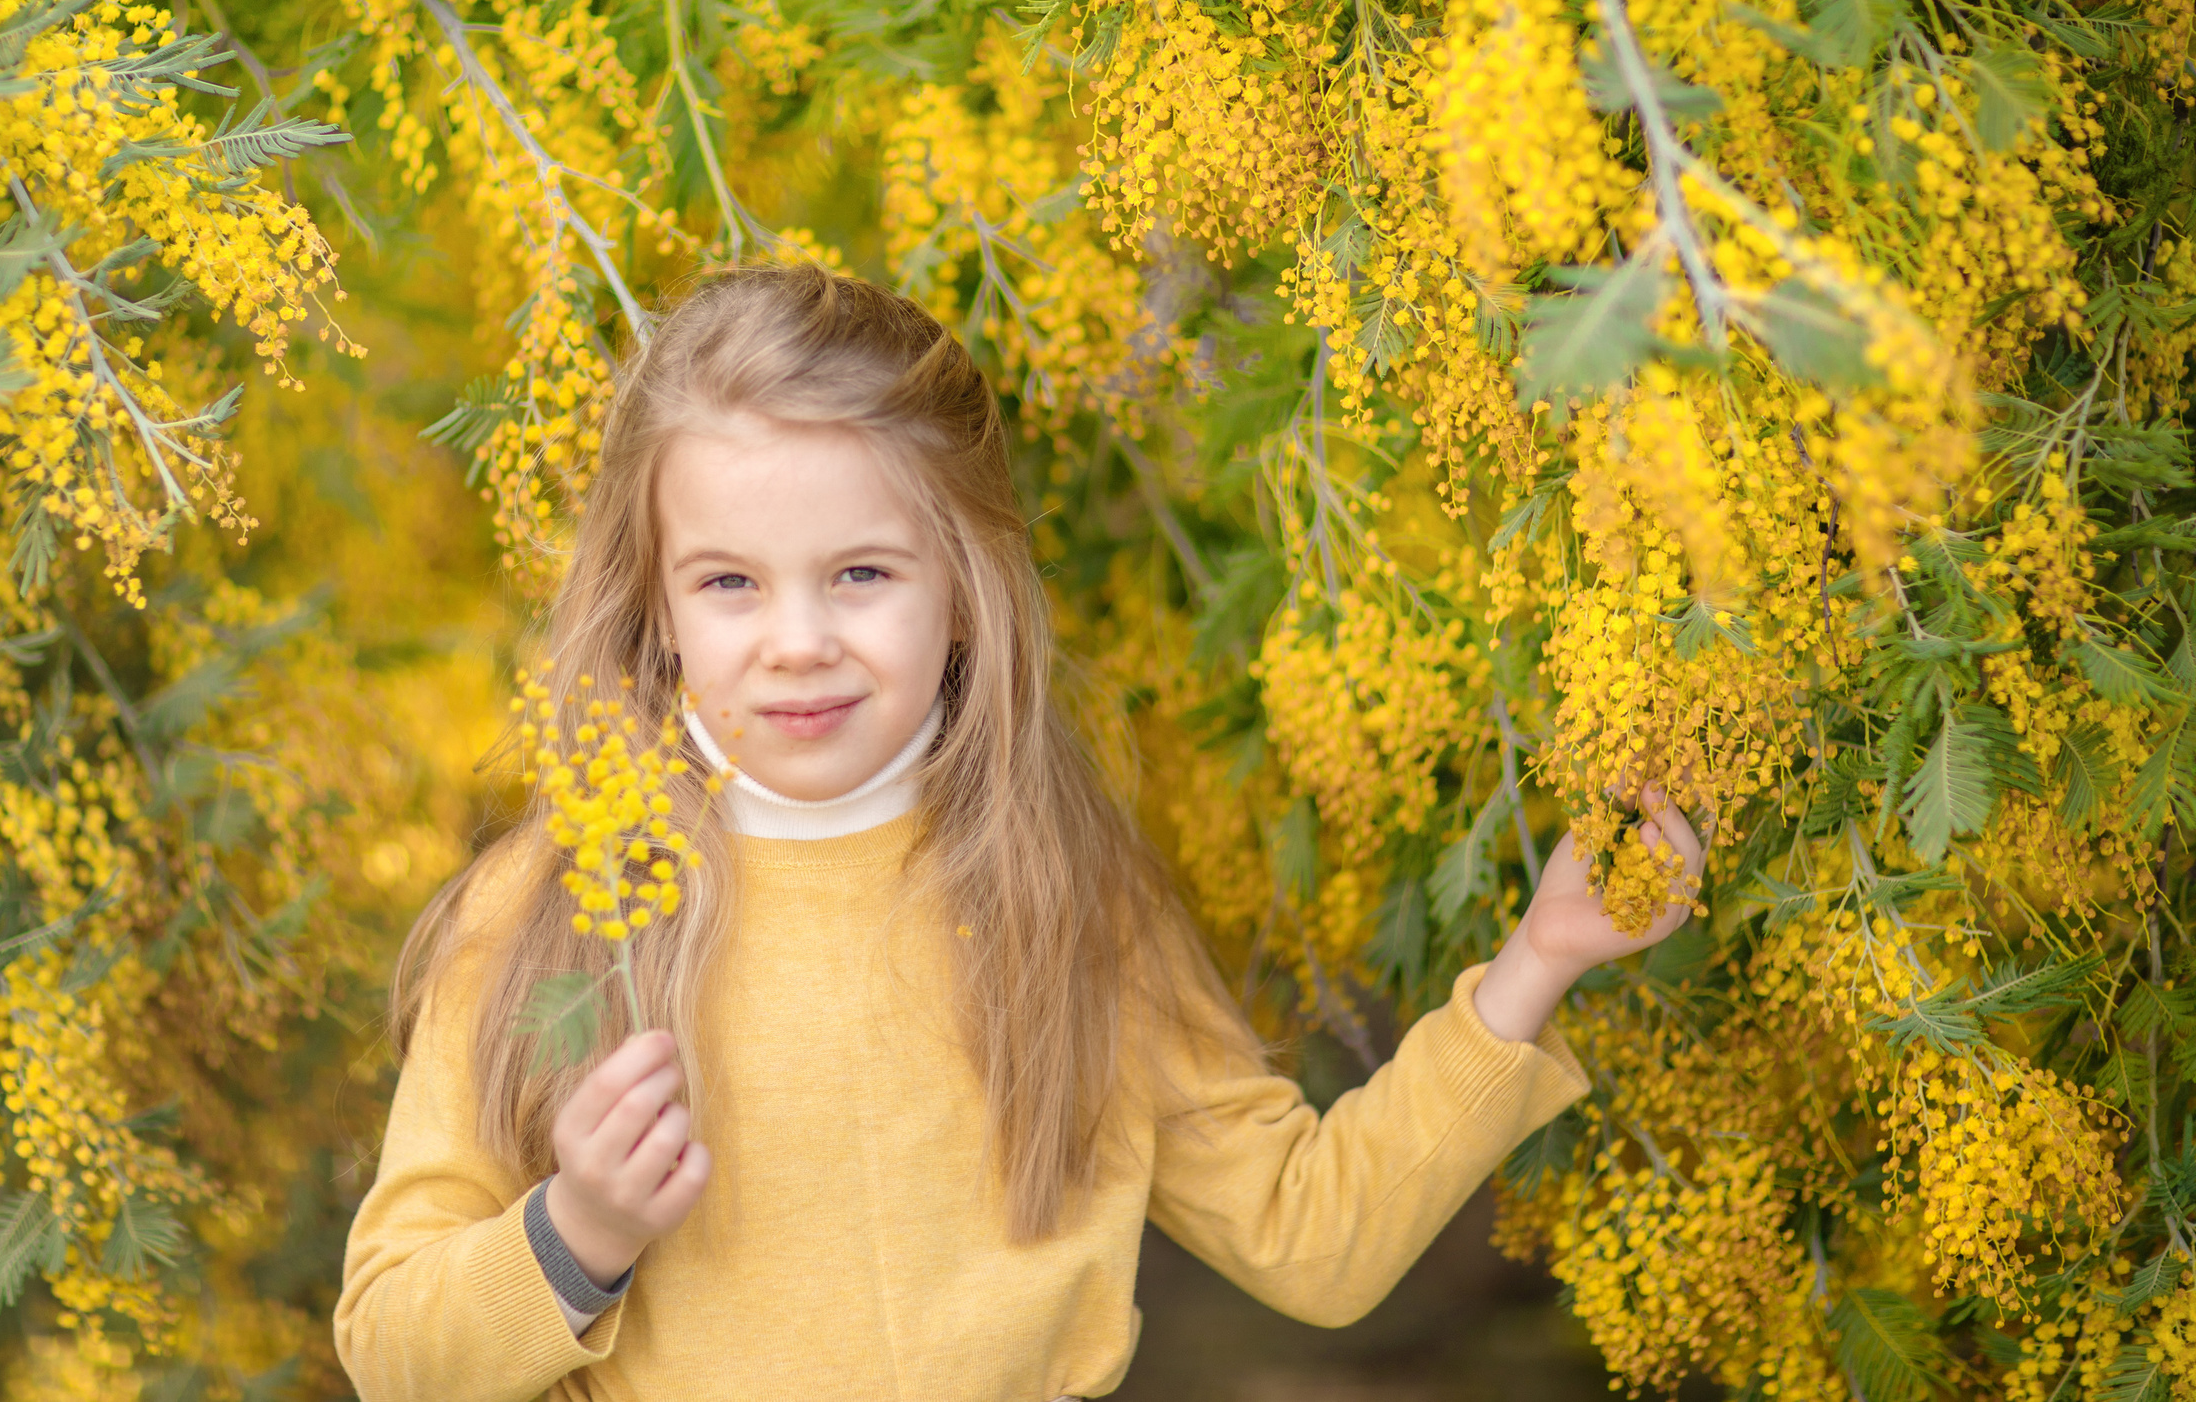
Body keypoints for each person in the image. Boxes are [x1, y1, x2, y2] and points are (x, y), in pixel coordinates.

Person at [334, 266, 1702, 1402]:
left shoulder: (1064, 896)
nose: (798, 642)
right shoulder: (552, 913)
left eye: (862, 574)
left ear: (967, 595)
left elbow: (1311, 1239)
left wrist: (1539, 960)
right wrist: (582, 1234)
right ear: (658, 609)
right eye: (731, 584)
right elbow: (393, 1353)